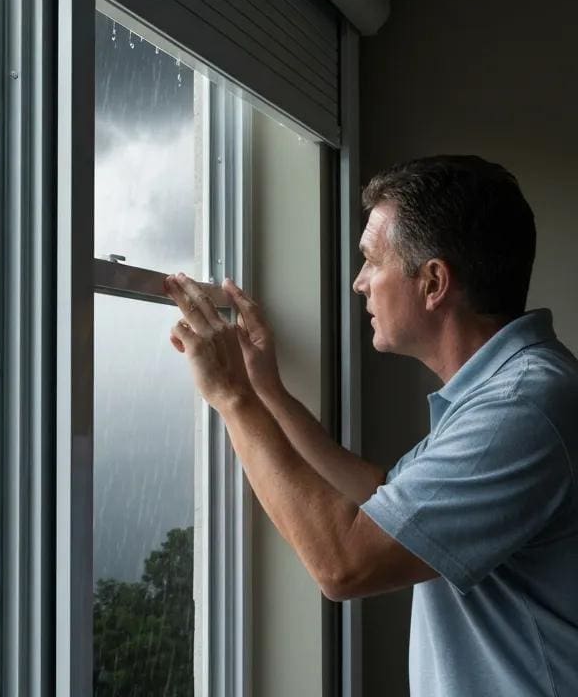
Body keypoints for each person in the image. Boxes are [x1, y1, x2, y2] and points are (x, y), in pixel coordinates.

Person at [165, 155, 578, 697]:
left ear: (433, 282)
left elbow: (344, 564)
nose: (359, 284)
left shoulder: (520, 408)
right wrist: (267, 392)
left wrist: (231, 397)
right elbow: (384, 500)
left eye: (371, 261)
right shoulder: (505, 388)